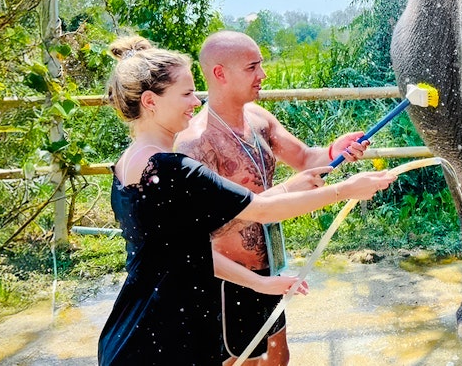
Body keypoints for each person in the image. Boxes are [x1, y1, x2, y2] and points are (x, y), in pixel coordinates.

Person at [97, 36, 396, 366]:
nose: (195, 101)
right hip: (166, 339)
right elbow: (259, 210)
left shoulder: (127, 165)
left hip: (137, 329)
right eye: (185, 94)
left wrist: (260, 283)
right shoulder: (175, 163)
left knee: (275, 357)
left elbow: (187, 253)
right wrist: (345, 190)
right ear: (151, 102)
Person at [174, 30, 370, 366]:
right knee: (242, 361)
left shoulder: (259, 119)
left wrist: (337, 150)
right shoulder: (194, 143)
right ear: (220, 74)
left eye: (260, 66)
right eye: (252, 68)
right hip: (229, 280)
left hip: (270, 268)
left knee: (279, 359)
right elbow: (198, 230)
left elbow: (307, 159)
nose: (262, 75)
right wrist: (293, 191)